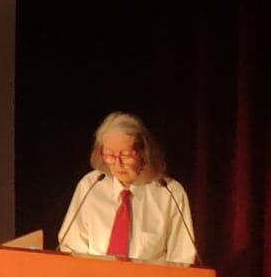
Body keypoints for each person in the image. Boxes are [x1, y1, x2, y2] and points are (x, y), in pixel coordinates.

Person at [56, 111, 198, 265]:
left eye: (125, 155)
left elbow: (181, 260)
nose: (118, 164)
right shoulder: (91, 185)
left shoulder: (170, 193)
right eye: (110, 155)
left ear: (143, 152)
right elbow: (71, 247)